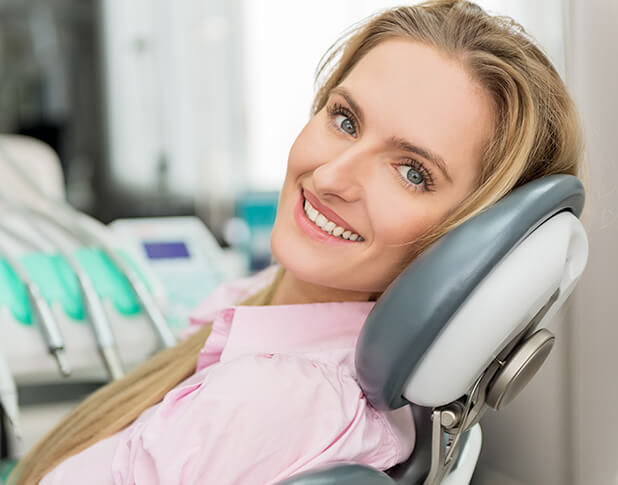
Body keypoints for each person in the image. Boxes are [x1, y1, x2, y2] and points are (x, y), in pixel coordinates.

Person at [9, 0, 584, 483]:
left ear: (467, 247)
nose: (330, 177)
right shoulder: (271, 312)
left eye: (411, 171)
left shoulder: (276, 401)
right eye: (345, 120)